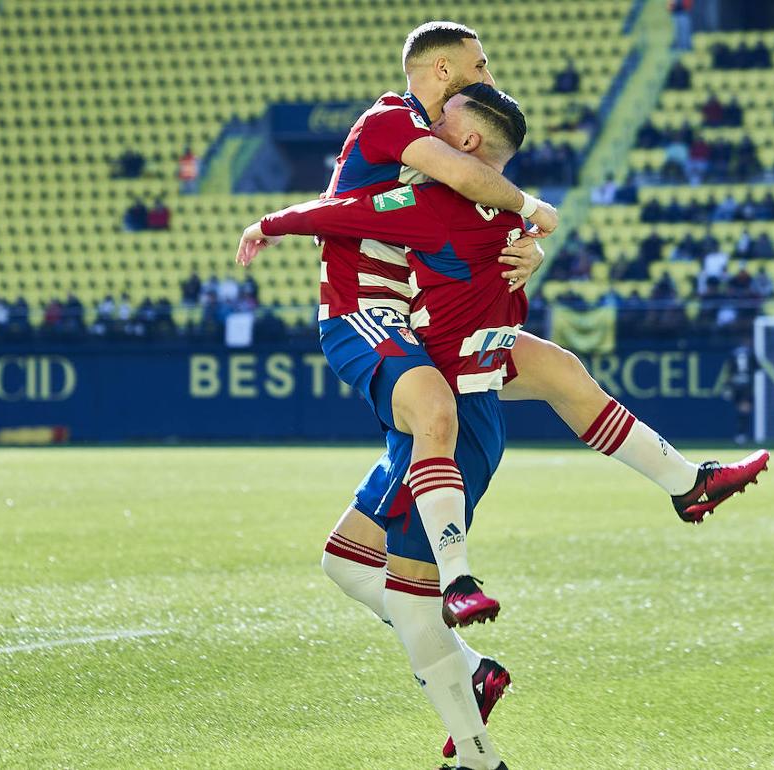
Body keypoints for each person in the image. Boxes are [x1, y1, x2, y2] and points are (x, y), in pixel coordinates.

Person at [241, 84, 532, 770]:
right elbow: (365, 206)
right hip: (437, 374)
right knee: (344, 560)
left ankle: (478, 755)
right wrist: (534, 229)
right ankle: (473, 673)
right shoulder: (419, 149)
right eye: (474, 65)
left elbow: (364, 208)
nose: (476, 75)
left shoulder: (441, 181)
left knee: (411, 592)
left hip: (434, 385)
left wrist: (536, 223)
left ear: (467, 145)